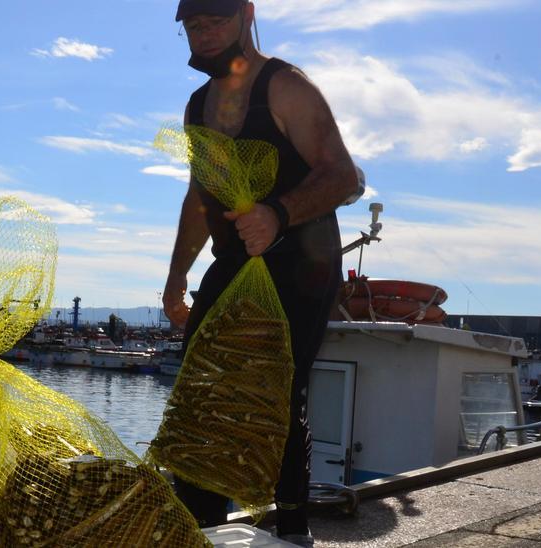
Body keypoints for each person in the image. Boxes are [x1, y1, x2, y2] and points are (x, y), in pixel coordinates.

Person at [161, 1, 360, 545]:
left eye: (216, 21)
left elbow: (345, 176)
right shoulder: (197, 105)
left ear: (247, 13)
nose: (204, 35)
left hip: (305, 258)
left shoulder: (286, 86)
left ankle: (293, 529)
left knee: (276, 387)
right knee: (202, 384)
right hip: (235, 261)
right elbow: (200, 198)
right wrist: (177, 275)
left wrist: (278, 213)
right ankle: (197, 526)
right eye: (194, 26)